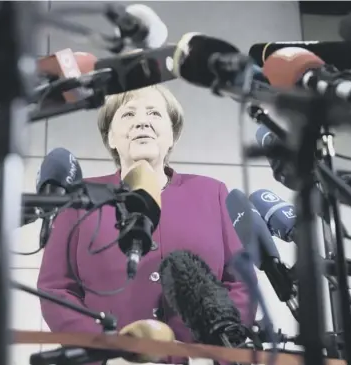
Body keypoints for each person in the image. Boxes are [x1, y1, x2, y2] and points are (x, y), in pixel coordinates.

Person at [37, 84, 255, 356]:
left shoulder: (213, 193)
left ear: (172, 135)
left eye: (154, 113)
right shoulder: (80, 197)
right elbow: (56, 289)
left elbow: (241, 284)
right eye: (128, 115)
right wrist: (107, 353)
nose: (142, 121)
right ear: (111, 138)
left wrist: (211, 354)